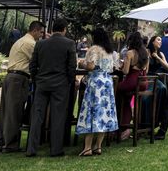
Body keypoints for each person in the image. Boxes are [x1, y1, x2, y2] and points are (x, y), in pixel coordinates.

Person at [26, 18, 77, 157]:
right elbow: (72, 67)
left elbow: (33, 65)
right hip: (60, 84)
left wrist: (37, 79)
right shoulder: (69, 43)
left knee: (37, 116)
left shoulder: (40, 43)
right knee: (58, 117)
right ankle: (56, 149)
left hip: (42, 84)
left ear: (52, 29)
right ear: (64, 29)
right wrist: (68, 81)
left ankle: (31, 149)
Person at [0, 20, 44, 153]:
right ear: (34, 31)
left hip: (10, 77)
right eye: (40, 32)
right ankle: (10, 144)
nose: (41, 35)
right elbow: (38, 61)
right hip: (19, 78)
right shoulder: (30, 43)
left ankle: (3, 141)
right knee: (14, 112)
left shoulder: (20, 41)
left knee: (5, 111)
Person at [76, 28, 118, 156]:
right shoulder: (110, 51)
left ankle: (87, 147)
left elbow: (91, 66)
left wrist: (82, 64)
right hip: (107, 82)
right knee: (104, 113)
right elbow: (114, 67)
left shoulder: (94, 49)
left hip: (96, 83)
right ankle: (98, 146)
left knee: (92, 112)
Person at [117, 32, 150, 140]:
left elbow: (126, 72)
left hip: (132, 81)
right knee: (126, 99)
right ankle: (126, 126)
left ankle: (121, 126)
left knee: (115, 91)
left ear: (131, 41)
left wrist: (121, 67)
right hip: (143, 83)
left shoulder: (130, 53)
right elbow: (147, 70)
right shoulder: (146, 52)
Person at [147, 35, 168, 139]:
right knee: (162, 88)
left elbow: (167, 67)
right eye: (158, 40)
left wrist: (157, 57)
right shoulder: (147, 52)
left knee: (163, 88)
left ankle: (158, 118)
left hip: (155, 79)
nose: (160, 42)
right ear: (152, 42)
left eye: (161, 40)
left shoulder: (160, 53)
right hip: (147, 78)